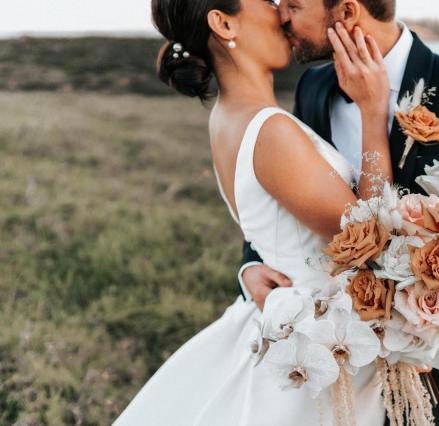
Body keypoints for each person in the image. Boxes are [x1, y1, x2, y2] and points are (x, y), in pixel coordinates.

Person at [239, 0, 439, 424]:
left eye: (293, 4)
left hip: (430, 372)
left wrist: (433, 328)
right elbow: (285, 188)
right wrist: (251, 263)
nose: (281, 15)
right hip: (332, 358)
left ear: (345, 12)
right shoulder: (313, 86)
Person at [116, 0, 393, 424]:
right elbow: (371, 239)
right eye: (265, 0)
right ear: (224, 22)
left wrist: (249, 270)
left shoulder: (228, 119)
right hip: (313, 346)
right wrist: (373, 113)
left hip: (287, 324)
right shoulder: (269, 130)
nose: (282, 11)